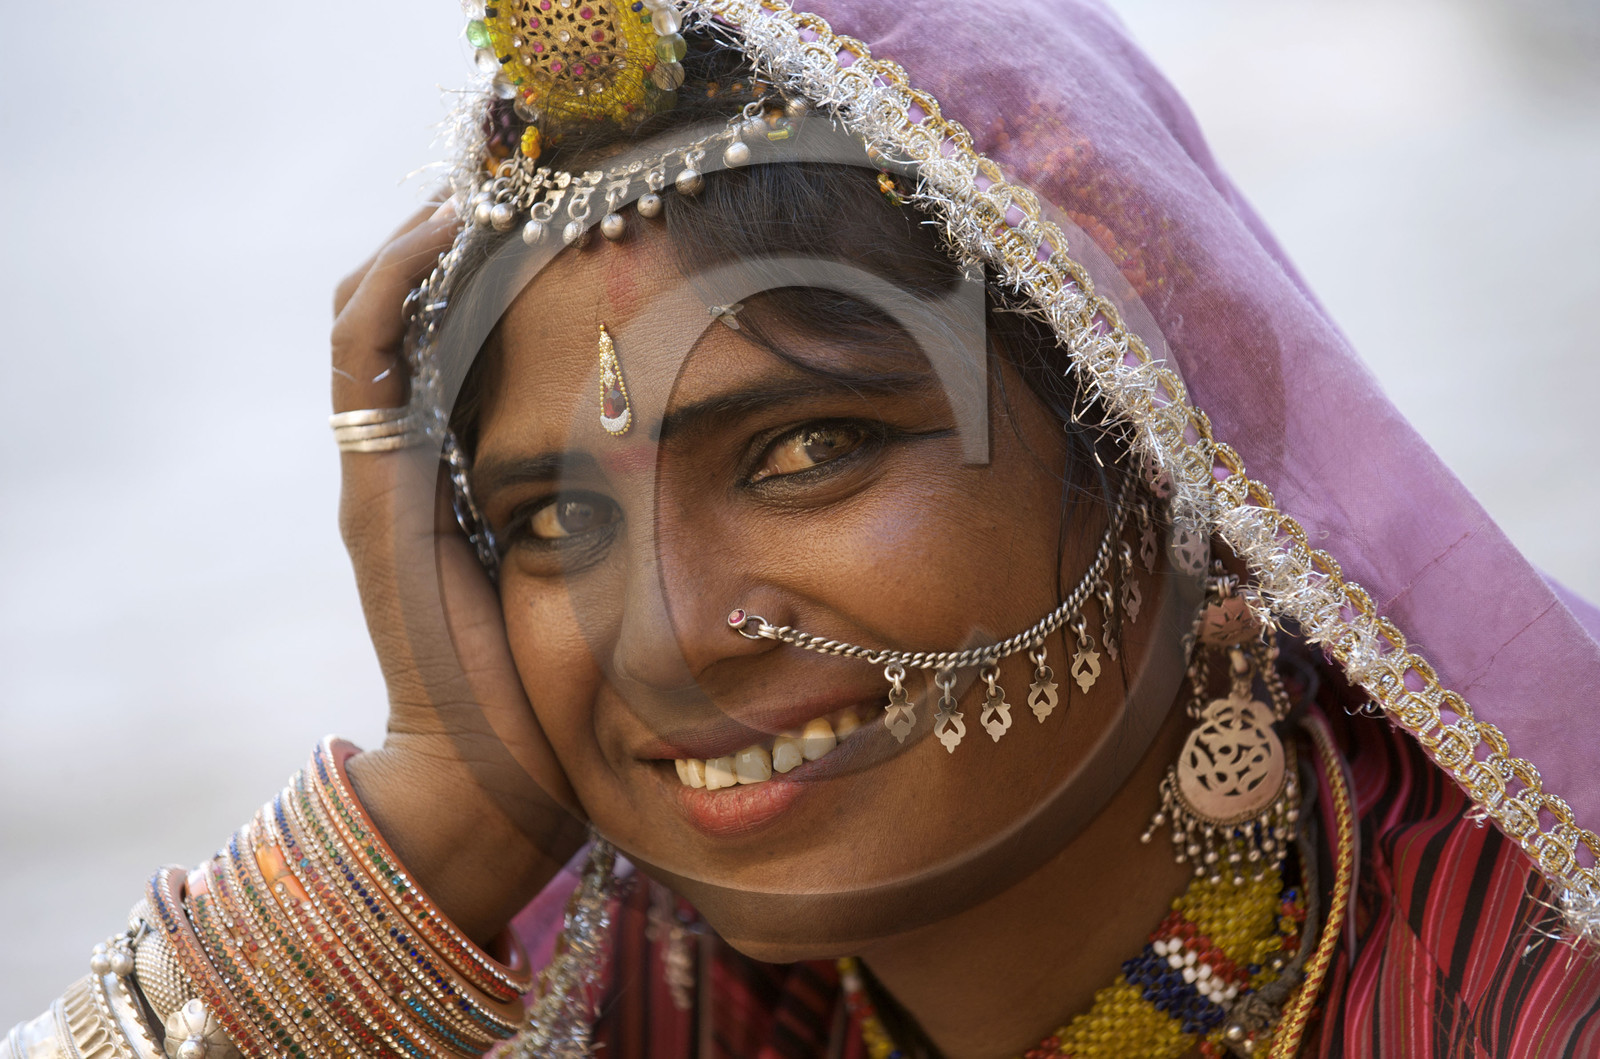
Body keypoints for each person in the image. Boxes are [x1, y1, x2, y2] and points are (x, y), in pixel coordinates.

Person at [7, 1, 1600, 1057]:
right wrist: (436, 822)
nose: (669, 635)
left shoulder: (1527, 986)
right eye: (550, 518)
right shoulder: (636, 998)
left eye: (806, 450)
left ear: (1156, 457)